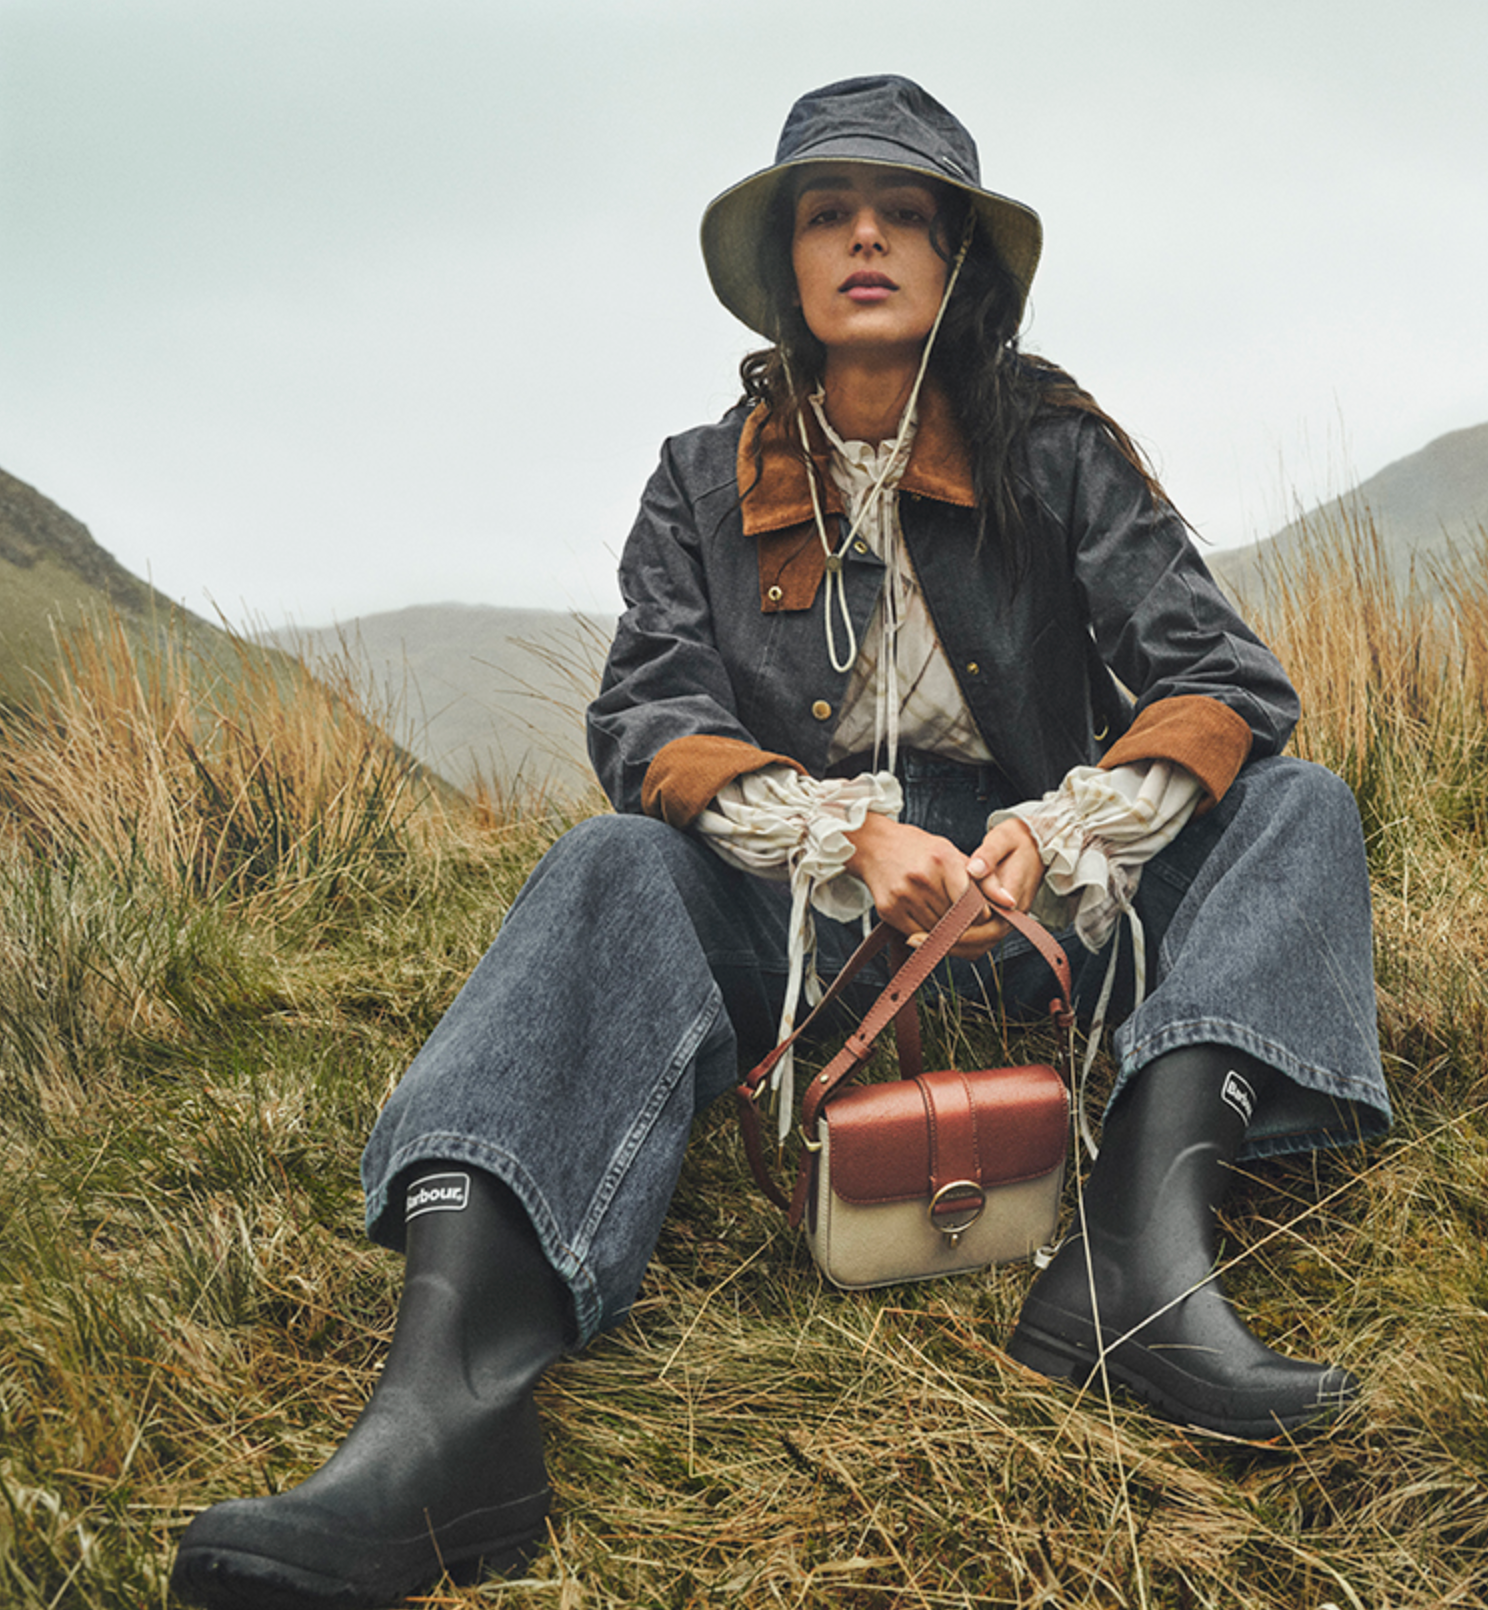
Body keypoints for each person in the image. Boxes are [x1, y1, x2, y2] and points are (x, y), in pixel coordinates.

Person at [171, 74, 1389, 1610]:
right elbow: (647, 719)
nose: (866, 236)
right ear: (791, 266)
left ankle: (1140, 1268)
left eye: (905, 214)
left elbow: (1222, 679)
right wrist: (837, 835)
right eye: (829, 212)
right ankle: (444, 1413)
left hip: (1038, 900)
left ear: (958, 263)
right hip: (794, 911)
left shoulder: (1055, 447)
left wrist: (1060, 822)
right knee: (606, 862)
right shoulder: (695, 476)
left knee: (1298, 801)